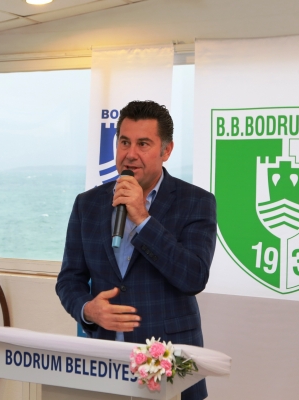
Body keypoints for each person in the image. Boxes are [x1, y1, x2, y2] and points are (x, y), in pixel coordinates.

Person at [55, 100, 217, 400]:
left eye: (143, 144)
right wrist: (87, 310)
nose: (130, 154)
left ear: (166, 151)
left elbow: (193, 277)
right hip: (105, 362)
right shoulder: (87, 204)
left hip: (169, 361)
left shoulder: (196, 202)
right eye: (124, 142)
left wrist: (143, 218)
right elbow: (69, 280)